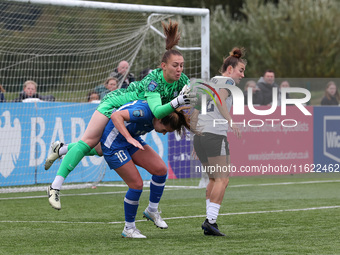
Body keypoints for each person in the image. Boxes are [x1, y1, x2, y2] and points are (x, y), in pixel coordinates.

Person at [47, 19, 195, 217]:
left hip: (129, 112)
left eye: (182, 66)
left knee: (100, 149)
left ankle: (61, 149)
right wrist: (177, 102)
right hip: (116, 103)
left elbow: (180, 105)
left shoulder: (181, 80)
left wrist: (188, 104)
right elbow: (158, 112)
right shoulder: (153, 81)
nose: (180, 69)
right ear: (163, 66)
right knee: (89, 141)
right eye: (176, 65)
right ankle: (55, 187)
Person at [46, 100, 193, 238]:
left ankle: (152, 210)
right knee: (136, 185)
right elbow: (116, 115)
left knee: (161, 169)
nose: (163, 133)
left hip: (128, 138)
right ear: (160, 120)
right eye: (165, 130)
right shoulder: (143, 113)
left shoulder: (160, 111)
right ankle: (129, 229)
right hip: (114, 145)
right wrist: (128, 137)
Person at [193, 47, 244, 236]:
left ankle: (210, 221)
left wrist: (195, 134)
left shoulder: (209, 82)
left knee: (213, 179)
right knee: (223, 179)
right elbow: (221, 101)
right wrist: (231, 122)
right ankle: (211, 221)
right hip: (215, 135)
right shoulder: (228, 82)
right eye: (241, 70)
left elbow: (197, 110)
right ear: (230, 69)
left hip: (201, 136)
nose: (242, 75)